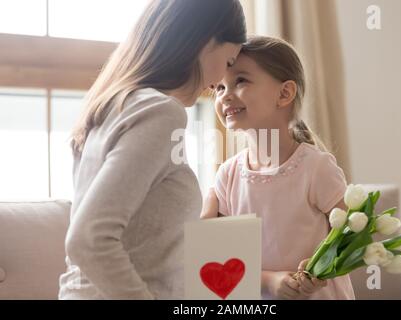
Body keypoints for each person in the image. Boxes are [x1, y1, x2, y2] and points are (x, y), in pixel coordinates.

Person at [58, 0, 246, 299]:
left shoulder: (116, 104)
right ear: (205, 40)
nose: (217, 84)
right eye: (229, 62)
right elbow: (89, 239)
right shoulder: (161, 111)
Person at [201, 36, 355, 300]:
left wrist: (321, 267)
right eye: (219, 88)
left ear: (284, 93)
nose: (225, 96)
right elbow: (223, 261)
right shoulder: (227, 176)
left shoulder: (315, 168)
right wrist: (270, 281)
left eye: (240, 81)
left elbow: (354, 237)